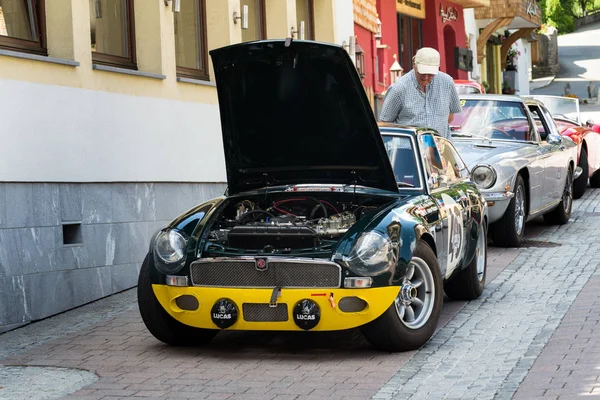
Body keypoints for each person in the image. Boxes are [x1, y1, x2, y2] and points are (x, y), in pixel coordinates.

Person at [379, 47, 462, 140]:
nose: (426, 77)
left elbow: (450, 117)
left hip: (440, 149)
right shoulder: (398, 89)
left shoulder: (447, 83)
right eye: (422, 72)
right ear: (414, 64)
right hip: (408, 149)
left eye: (430, 74)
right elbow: (384, 124)